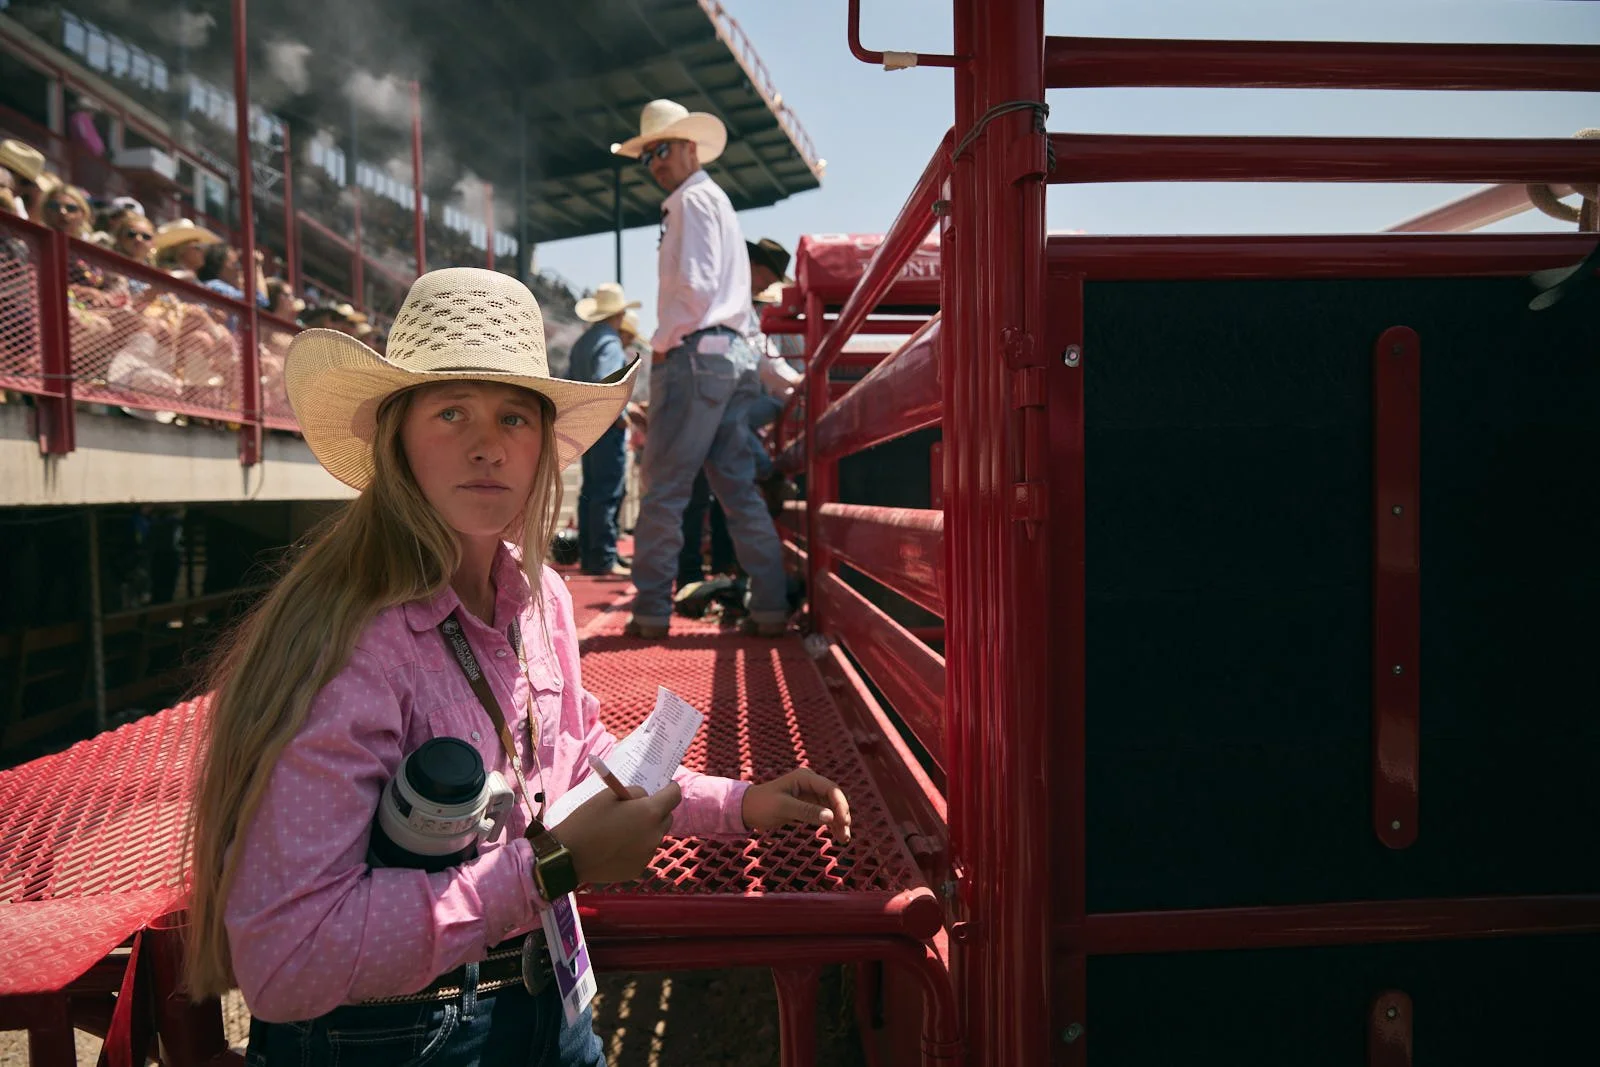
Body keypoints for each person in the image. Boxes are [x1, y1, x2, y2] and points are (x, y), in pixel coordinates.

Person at [183, 267, 852, 1065]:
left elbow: (580, 762)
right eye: (451, 411)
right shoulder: (349, 639)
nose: (485, 444)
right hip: (393, 1035)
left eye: (513, 417)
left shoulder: (541, 599)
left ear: (543, 447)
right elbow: (286, 963)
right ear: (397, 435)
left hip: (544, 1000)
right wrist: (550, 868)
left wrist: (740, 802)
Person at [613, 99, 789, 639]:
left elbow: (692, 288)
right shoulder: (713, 201)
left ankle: (649, 611)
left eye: (660, 150)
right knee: (735, 486)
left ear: (688, 147)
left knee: (664, 486)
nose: (655, 164)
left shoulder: (688, 203)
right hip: (730, 357)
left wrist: (663, 347)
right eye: (648, 157)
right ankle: (771, 605)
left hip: (695, 355)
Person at [567, 282, 640, 578]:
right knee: (607, 491)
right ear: (619, 314)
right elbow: (606, 380)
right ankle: (603, 558)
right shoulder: (609, 343)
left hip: (587, 426)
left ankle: (591, 555)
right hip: (606, 426)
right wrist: (620, 414)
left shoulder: (584, 342)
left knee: (591, 491)